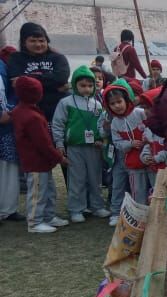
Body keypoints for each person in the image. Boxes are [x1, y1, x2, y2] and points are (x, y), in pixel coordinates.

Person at [53, 65, 109, 222]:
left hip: (93, 147)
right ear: (75, 84)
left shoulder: (97, 105)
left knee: (95, 178)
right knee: (76, 178)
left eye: (90, 85)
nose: (87, 89)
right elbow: (58, 124)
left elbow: (100, 126)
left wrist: (101, 138)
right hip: (74, 147)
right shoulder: (66, 103)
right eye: (83, 85)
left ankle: (97, 206)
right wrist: (59, 145)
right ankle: (76, 209)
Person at [13, 77, 67, 232]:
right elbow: (43, 143)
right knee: (38, 192)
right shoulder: (32, 117)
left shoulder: (20, 111)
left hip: (41, 162)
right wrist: (59, 157)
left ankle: (48, 216)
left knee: (48, 190)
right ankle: (35, 222)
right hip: (36, 162)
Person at [7, 22, 70, 122]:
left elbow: (61, 77)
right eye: (33, 41)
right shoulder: (15, 59)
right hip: (31, 114)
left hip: (58, 112)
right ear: (24, 42)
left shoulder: (58, 58)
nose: (38, 44)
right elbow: (19, 85)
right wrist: (54, 86)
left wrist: (28, 79)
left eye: (42, 41)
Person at [103, 80, 150, 205]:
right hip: (132, 162)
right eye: (112, 104)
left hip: (150, 158)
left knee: (153, 188)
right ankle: (135, 214)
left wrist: (147, 137)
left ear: (126, 99)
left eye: (119, 101)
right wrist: (130, 144)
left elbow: (151, 126)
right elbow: (117, 142)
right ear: (108, 106)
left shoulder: (139, 113)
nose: (117, 106)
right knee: (137, 190)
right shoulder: (115, 123)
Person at [0, 46, 22, 224]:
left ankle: (8, 209)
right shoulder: (3, 68)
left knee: (8, 168)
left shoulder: (6, 68)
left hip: (7, 127)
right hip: (5, 127)